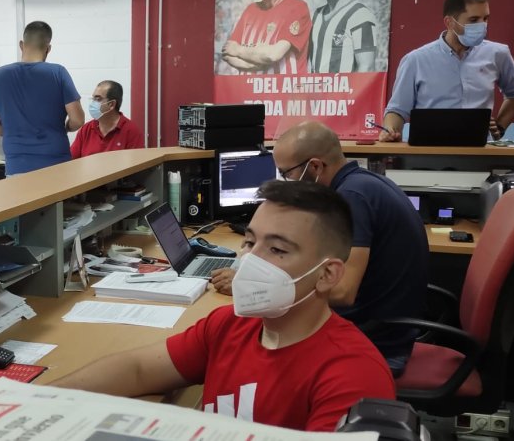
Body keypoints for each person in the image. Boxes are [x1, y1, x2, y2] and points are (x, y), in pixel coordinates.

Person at [53, 180, 395, 432]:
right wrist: (39, 399)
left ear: (326, 274)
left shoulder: (353, 375)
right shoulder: (229, 325)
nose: (250, 260)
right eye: (250, 241)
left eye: (277, 250)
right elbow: (138, 369)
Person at [213, 121, 427, 375]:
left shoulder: (352, 197)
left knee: (243, 347)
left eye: (286, 173)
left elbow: (343, 291)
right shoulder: (362, 183)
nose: (285, 182)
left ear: (315, 167)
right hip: (385, 323)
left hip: (377, 340)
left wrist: (254, 285)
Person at [380, 0, 514, 141]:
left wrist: (500, 128)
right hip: (428, 148)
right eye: (473, 20)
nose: (482, 25)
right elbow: (397, 110)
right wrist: (390, 130)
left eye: (485, 18)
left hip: (480, 149)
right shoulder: (415, 60)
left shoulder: (498, 54)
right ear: (449, 22)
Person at [0, 21, 84, 175]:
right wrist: (65, 128)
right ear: (48, 48)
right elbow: (77, 120)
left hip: (17, 165)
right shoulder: (58, 73)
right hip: (56, 164)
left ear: (21, 45)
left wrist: (14, 131)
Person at [220, 0, 311, 74]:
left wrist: (238, 50)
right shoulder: (250, 10)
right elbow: (227, 53)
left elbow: (273, 55)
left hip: (283, 85)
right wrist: (257, 65)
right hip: (248, 85)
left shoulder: (297, 7)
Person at [70, 80, 144, 159]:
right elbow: (70, 161)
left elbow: (136, 164)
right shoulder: (86, 129)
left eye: (98, 99)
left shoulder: (131, 132)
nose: (92, 103)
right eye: (93, 99)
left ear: (111, 104)